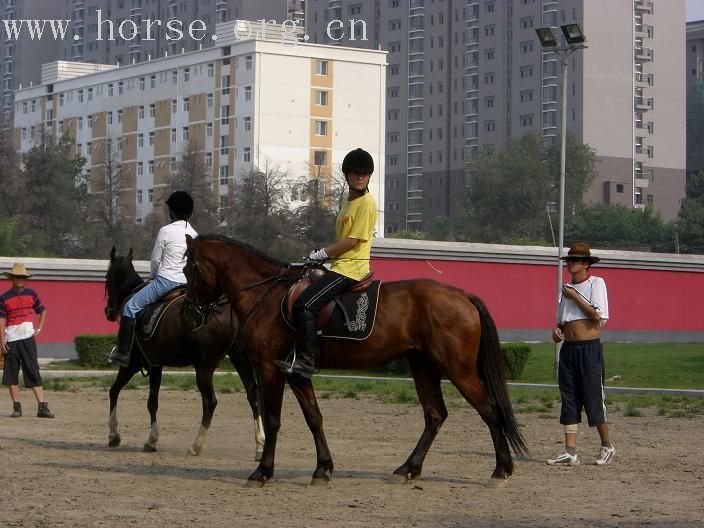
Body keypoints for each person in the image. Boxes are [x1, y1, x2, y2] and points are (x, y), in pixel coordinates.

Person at [274, 148, 378, 380]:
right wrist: (321, 256)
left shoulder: (367, 203)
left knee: (305, 304)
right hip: (340, 264)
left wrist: (322, 253)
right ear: (347, 175)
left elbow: (352, 241)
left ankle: (306, 362)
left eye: (365, 173)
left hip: (352, 268)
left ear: (369, 176)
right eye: (355, 172)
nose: (360, 177)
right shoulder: (348, 204)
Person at [109, 191, 197, 367]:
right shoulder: (195, 234)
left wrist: (155, 277)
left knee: (129, 307)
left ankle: (123, 353)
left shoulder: (165, 231)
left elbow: (156, 260)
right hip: (189, 284)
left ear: (172, 212)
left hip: (166, 282)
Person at [547, 242, 614, 466]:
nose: (570, 264)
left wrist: (575, 296)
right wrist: (558, 331)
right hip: (569, 350)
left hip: (589, 350)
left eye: (574, 260)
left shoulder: (596, 283)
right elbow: (562, 319)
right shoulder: (565, 289)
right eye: (569, 260)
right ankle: (570, 451)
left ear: (586, 264)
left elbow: (597, 315)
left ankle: (606, 445)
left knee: (593, 397)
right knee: (569, 398)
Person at [0, 263, 54, 418]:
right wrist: (2, 340)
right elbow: (1, 320)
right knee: (11, 374)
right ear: (12, 278)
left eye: (23, 277)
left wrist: (39, 328)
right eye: (18, 277)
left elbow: (42, 310)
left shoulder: (32, 293)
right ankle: (17, 408)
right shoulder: (3, 298)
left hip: (28, 339)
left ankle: (42, 407)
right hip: (11, 339)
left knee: (33, 371)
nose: (21, 279)